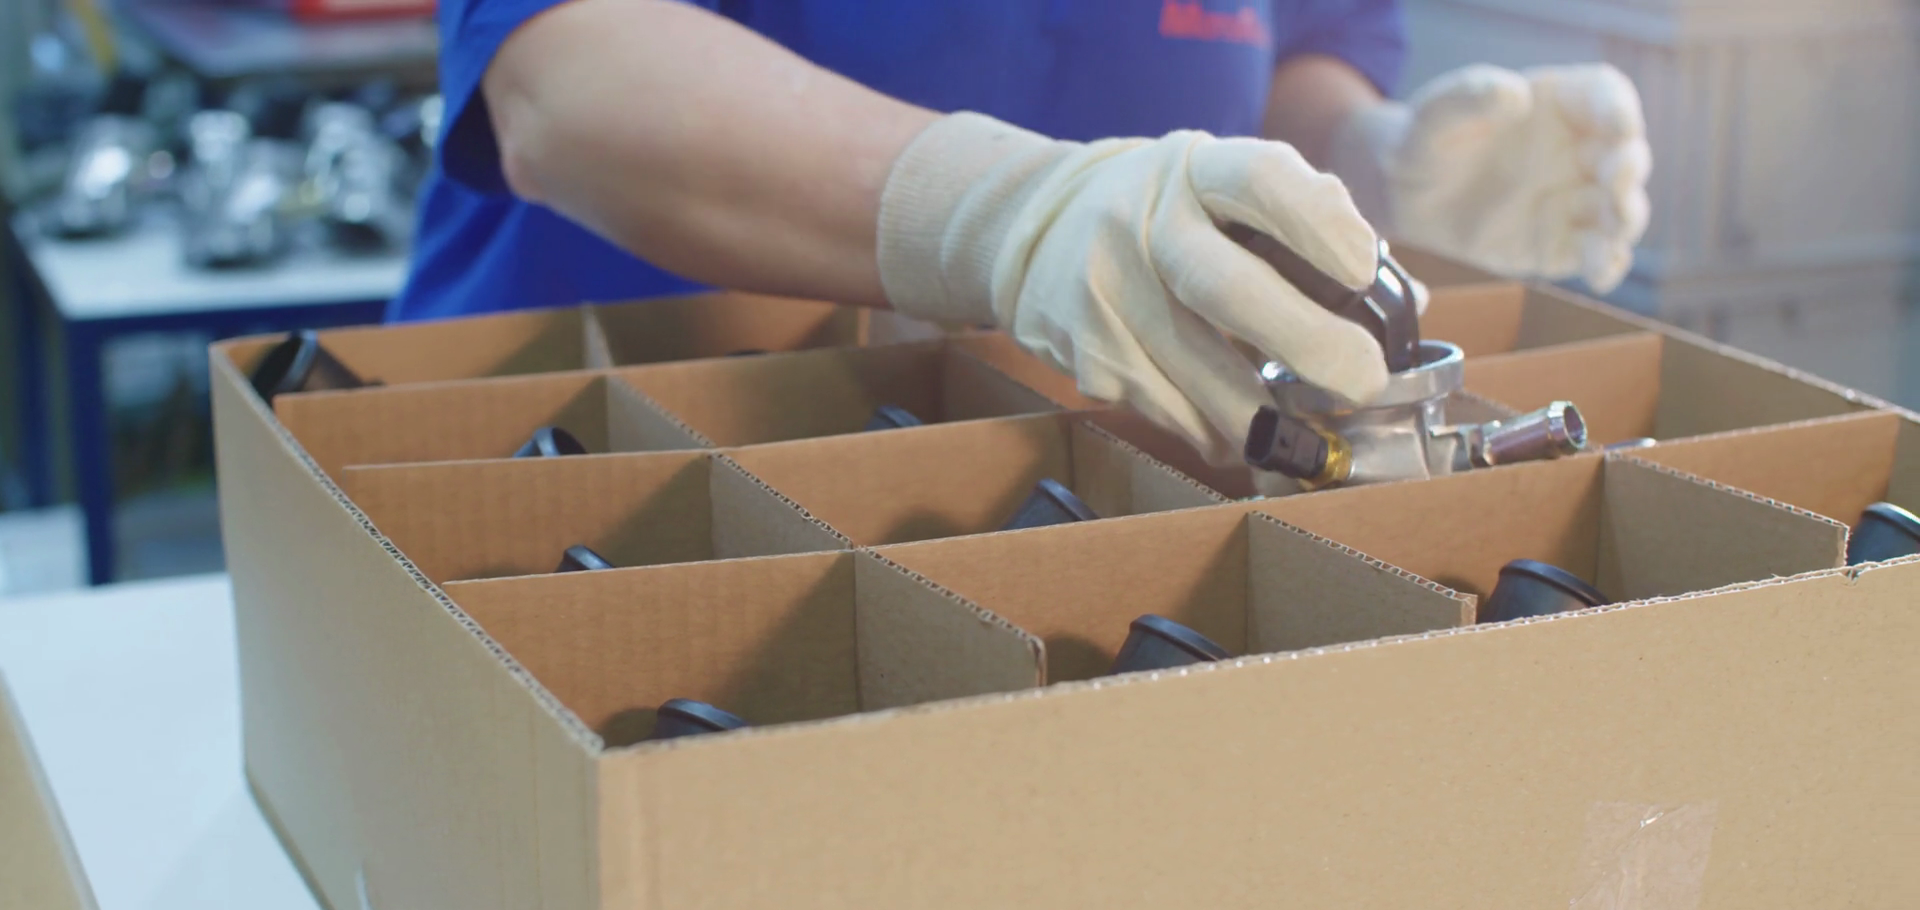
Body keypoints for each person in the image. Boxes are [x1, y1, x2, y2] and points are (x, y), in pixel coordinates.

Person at [394, 0, 1650, 464]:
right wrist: (994, 210)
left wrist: (1375, 159)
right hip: (595, 447)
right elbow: (559, 75)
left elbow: (1295, 57)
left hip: (1074, 462)